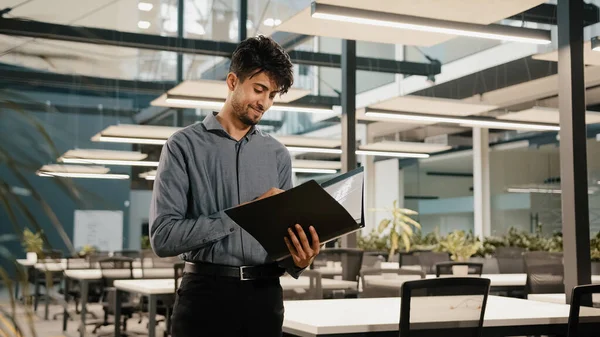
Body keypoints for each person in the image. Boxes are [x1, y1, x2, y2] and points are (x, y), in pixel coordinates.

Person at [149, 35, 321, 337]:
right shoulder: (183, 146)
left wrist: (300, 259)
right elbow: (163, 238)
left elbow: (282, 243)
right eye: (259, 89)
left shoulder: (278, 155)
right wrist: (244, 214)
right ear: (232, 81)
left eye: (272, 95)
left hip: (264, 298)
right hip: (205, 297)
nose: (264, 103)